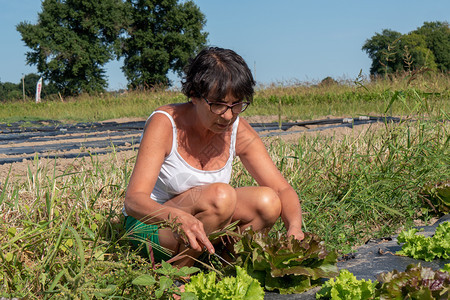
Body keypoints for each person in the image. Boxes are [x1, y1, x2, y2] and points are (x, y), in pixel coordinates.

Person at [124, 47, 304, 266]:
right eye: (218, 105)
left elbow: (281, 189)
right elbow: (134, 201)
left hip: (205, 225)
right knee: (221, 196)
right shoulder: (165, 123)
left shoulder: (238, 129)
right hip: (153, 227)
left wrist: (294, 227)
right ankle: (177, 274)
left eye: (237, 104)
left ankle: (224, 264)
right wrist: (176, 218)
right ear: (194, 96)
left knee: (268, 202)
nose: (228, 116)